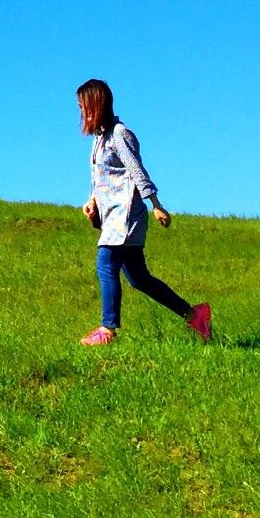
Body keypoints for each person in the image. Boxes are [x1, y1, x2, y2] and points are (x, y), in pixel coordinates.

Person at [76, 78, 211, 346]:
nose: (83, 113)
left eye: (86, 107)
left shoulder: (120, 134)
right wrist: (91, 200)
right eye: (80, 108)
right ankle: (196, 316)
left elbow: (136, 171)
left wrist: (156, 205)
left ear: (99, 105)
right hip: (113, 216)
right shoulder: (100, 139)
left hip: (126, 217)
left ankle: (107, 329)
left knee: (105, 264)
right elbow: (102, 177)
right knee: (140, 279)